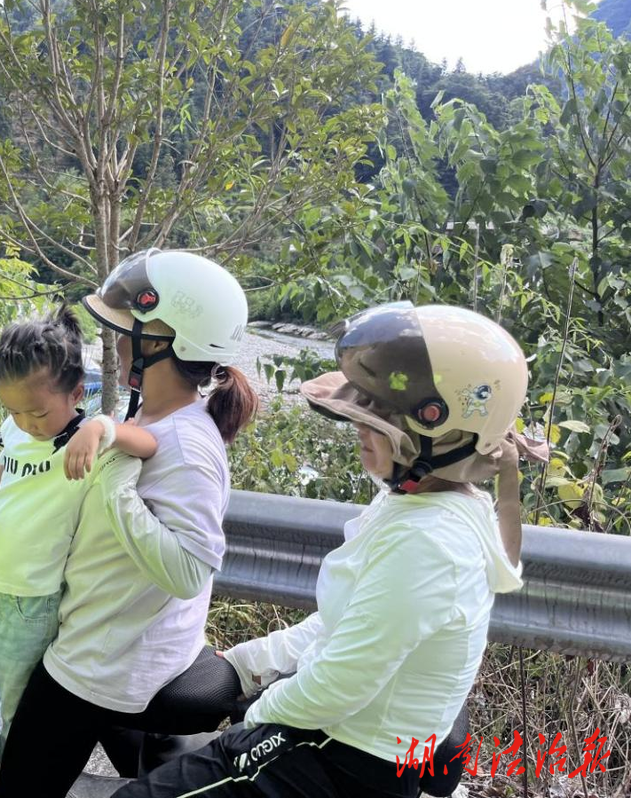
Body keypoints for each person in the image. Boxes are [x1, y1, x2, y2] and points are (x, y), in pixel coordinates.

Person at [113, 301, 549, 798]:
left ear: (437, 434)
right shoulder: (429, 504)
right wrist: (251, 660)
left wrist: (251, 720)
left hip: (348, 754)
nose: (360, 430)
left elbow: (342, 682)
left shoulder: (427, 542)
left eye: (377, 421)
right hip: (353, 735)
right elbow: (345, 624)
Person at [0, 250, 261, 798]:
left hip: (102, 663)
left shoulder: (185, 443)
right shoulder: (154, 416)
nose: (114, 342)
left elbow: (190, 570)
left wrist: (115, 483)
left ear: (163, 342)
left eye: (125, 331)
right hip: (118, 642)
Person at [0, 306, 159, 798]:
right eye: (14, 411)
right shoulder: (18, 428)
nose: (26, 423)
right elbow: (15, 466)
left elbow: (147, 442)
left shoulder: (84, 444)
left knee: (19, 708)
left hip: (32, 601)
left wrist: (102, 427)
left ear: (76, 393)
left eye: (37, 413)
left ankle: (9, 778)